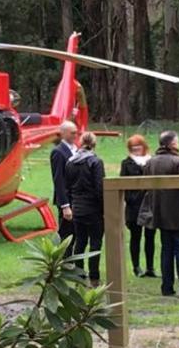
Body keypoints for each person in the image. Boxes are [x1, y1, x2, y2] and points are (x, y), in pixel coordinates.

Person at [145, 131, 179, 297]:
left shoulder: (151, 162)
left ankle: (167, 287)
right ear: (172, 144)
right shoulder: (178, 161)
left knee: (166, 250)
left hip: (160, 213)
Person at [65, 132, 105, 287]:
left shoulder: (70, 162)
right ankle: (94, 276)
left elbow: (68, 187)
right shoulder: (96, 162)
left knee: (80, 242)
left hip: (77, 207)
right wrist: (104, 209)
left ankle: (79, 275)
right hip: (93, 208)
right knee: (95, 242)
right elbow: (99, 188)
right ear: (94, 144)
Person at [120, 134, 157, 278]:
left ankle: (150, 267)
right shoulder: (126, 163)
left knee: (150, 236)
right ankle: (136, 267)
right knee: (135, 237)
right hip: (134, 206)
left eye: (138, 147)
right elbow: (123, 183)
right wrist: (131, 199)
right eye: (133, 148)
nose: (136, 150)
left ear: (144, 147)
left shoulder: (152, 161)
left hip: (150, 204)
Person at [51, 121, 78, 257]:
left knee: (76, 233)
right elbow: (59, 180)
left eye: (76, 132)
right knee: (66, 235)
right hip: (67, 200)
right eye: (72, 132)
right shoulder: (58, 152)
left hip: (78, 198)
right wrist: (65, 205)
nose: (75, 135)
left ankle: (73, 264)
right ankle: (65, 264)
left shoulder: (76, 149)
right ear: (63, 133)